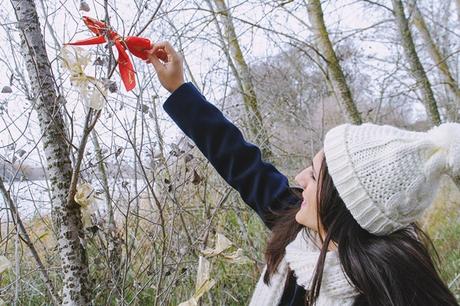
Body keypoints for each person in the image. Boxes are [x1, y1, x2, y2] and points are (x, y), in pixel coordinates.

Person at [146, 42, 460, 306]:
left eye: (313, 176)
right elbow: (237, 159)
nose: (299, 178)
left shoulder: (390, 292)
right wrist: (179, 87)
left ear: (343, 203)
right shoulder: (298, 228)